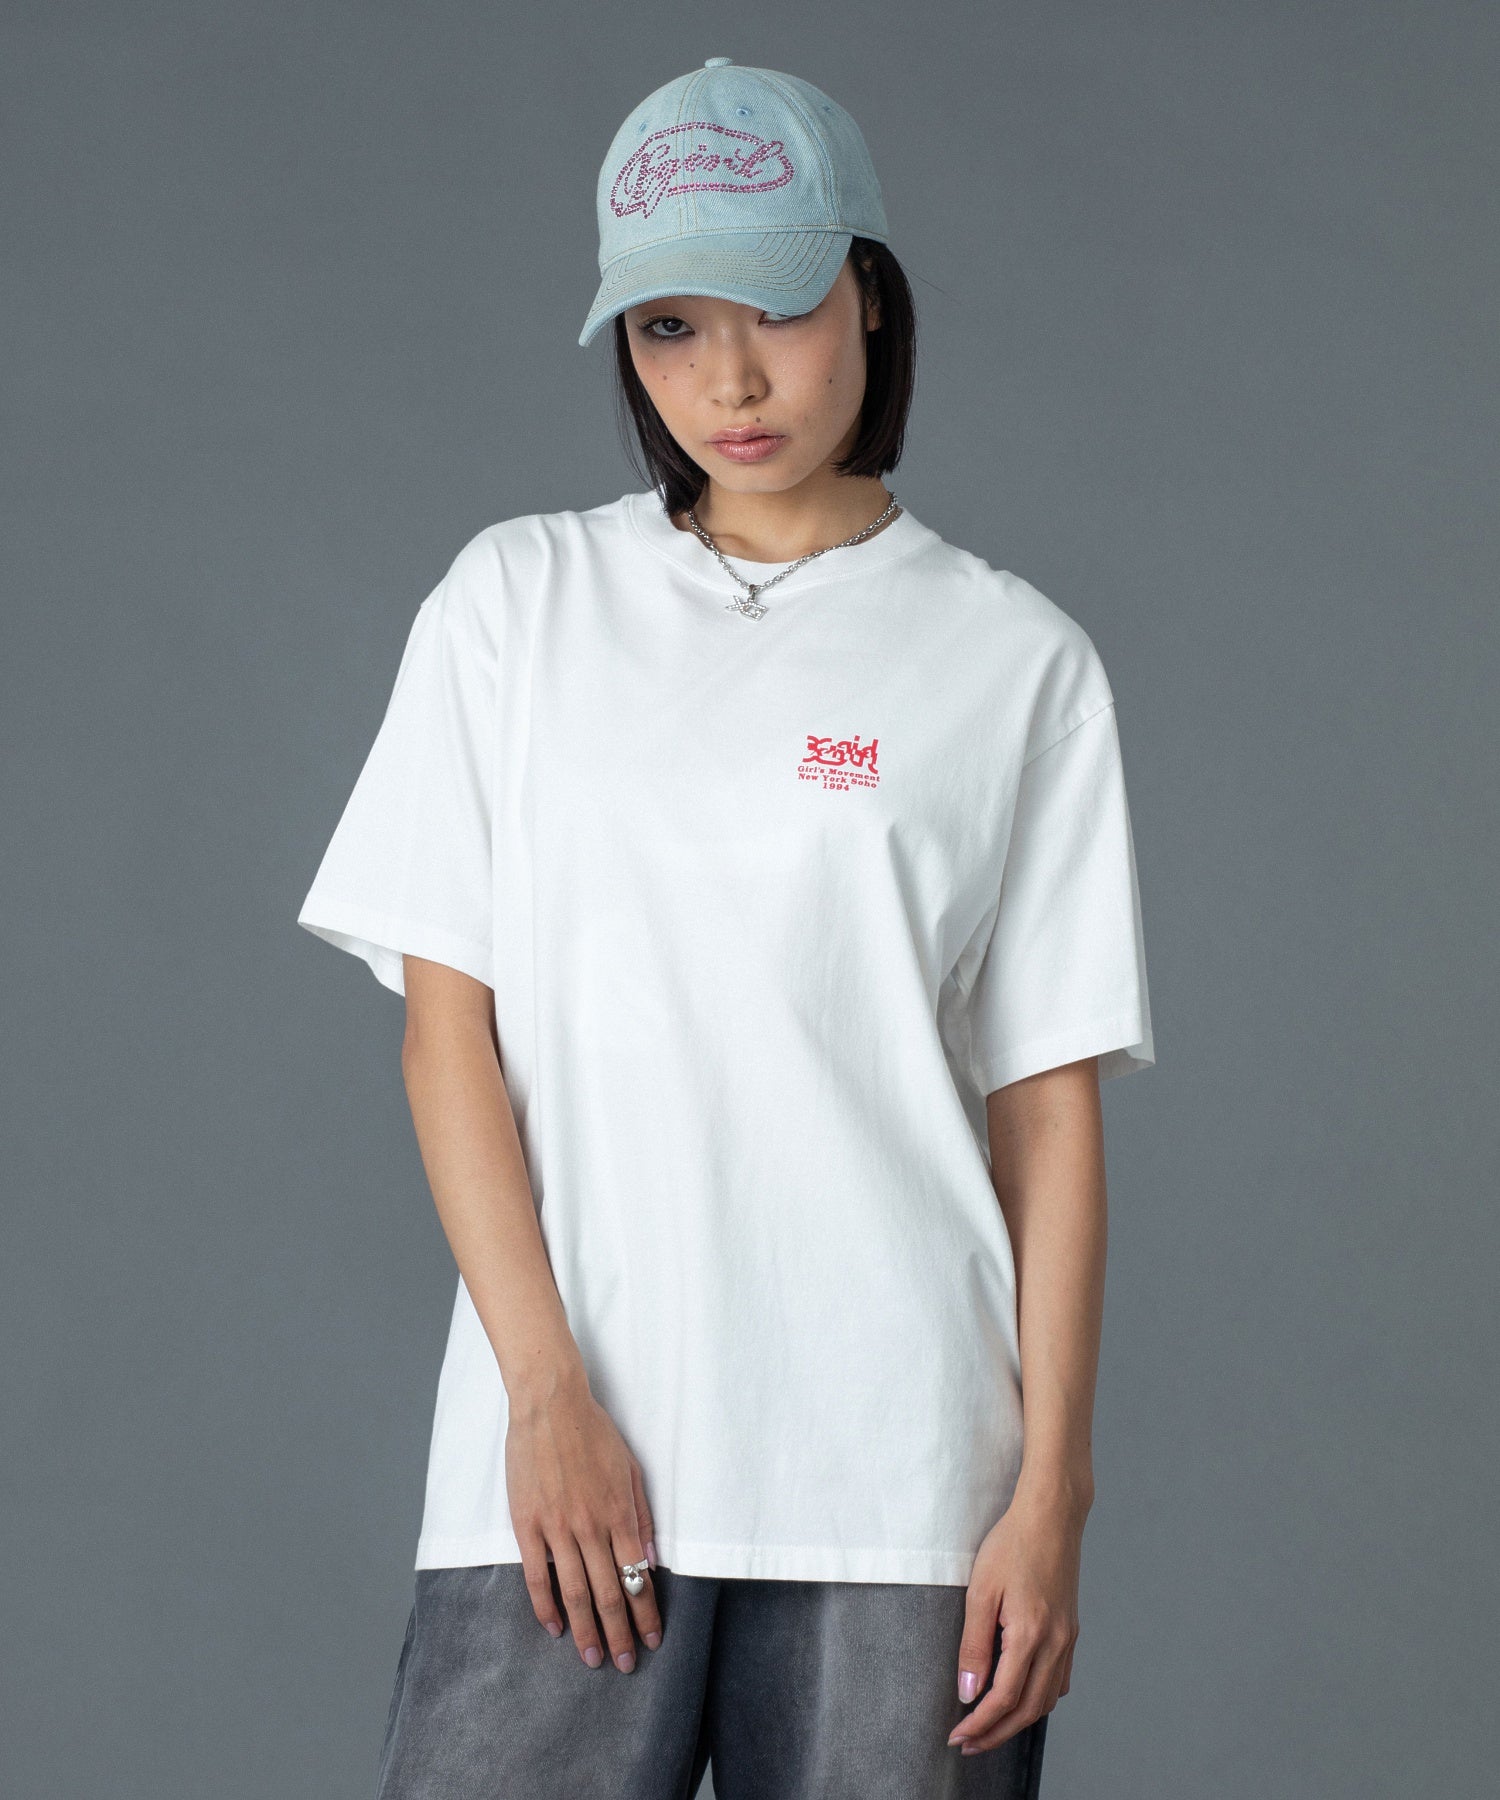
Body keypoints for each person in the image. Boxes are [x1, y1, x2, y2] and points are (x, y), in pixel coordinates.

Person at [297, 55, 1154, 1800]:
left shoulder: (1017, 663)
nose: (732, 380)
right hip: (565, 1471)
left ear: (872, 296)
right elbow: (446, 1032)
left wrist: (1052, 1494)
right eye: (671, 328)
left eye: (778, 309)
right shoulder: (517, 606)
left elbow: (1046, 1109)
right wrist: (545, 1394)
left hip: (906, 1488)